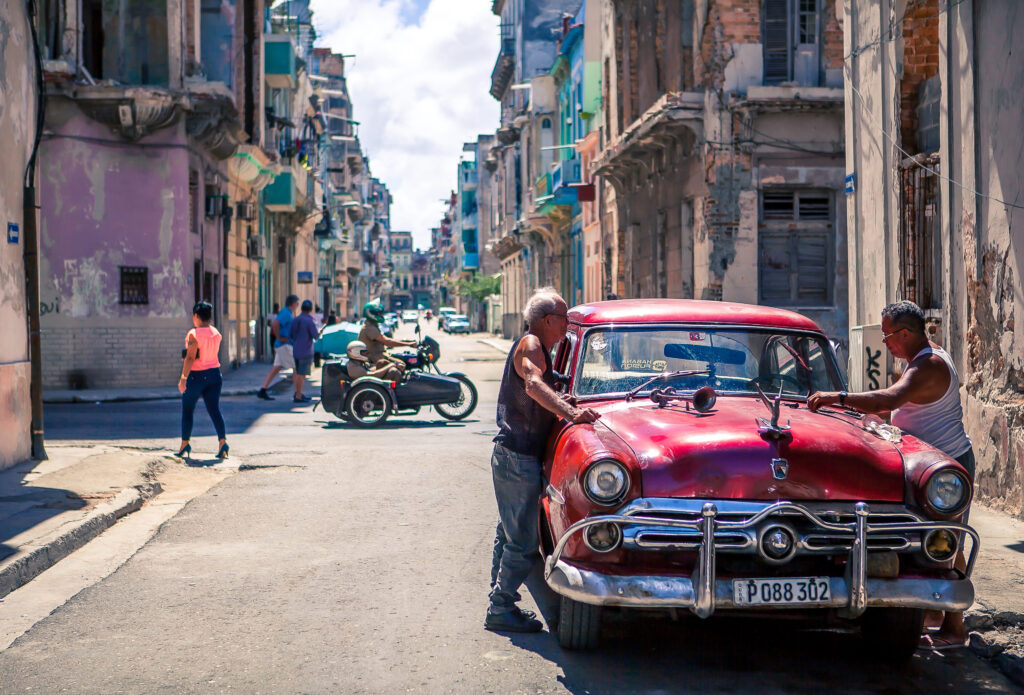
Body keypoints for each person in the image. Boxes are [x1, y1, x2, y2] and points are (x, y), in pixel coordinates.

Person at [808, 300, 974, 649]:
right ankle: (933, 613)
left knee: (947, 543)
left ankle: (955, 628)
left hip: (945, 469)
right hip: (926, 465)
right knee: (933, 540)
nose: (884, 343)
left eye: (887, 336)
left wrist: (838, 397)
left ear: (905, 333)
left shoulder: (928, 365)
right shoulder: (921, 359)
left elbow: (891, 397)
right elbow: (897, 407)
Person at [485, 288, 601, 634]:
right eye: (564, 318)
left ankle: (500, 595)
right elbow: (534, 386)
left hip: (517, 455)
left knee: (509, 530)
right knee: (522, 540)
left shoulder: (541, 348)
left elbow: (539, 390)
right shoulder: (532, 344)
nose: (567, 324)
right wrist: (571, 413)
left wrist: (562, 398)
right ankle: (500, 607)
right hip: (517, 456)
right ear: (548, 320)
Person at [176, 301, 228, 459]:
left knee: (188, 409)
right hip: (214, 375)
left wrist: (183, 378)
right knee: (214, 410)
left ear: (196, 316)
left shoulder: (194, 334)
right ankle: (222, 442)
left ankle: (185, 444)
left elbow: (190, 357)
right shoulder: (216, 333)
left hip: (196, 376)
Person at [257, 295, 299, 400]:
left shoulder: (287, 312)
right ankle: (297, 394)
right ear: (293, 304)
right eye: (297, 303)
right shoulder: (286, 313)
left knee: (276, 368)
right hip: (284, 345)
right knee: (296, 367)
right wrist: (279, 337)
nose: (297, 306)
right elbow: (275, 323)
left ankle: (263, 390)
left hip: (281, 345)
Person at [357, 300, 415, 376]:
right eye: (379, 313)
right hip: (374, 358)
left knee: (403, 361)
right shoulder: (369, 328)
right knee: (400, 366)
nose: (381, 315)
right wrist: (409, 344)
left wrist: (408, 341)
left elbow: (387, 339)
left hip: (380, 355)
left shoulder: (373, 325)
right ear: (371, 313)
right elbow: (387, 342)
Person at [290, 300, 320, 403]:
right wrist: (319, 332)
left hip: (296, 349)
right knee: (301, 374)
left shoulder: (296, 319)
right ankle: (298, 396)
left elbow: (291, 334)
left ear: (301, 308)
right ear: (310, 309)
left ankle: (297, 393)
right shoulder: (309, 321)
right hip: (306, 350)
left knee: (297, 372)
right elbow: (315, 336)